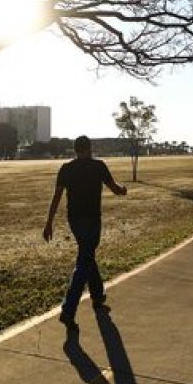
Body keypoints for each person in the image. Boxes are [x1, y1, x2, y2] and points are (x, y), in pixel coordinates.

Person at [43, 135, 128, 326]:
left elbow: (56, 197)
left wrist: (49, 223)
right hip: (92, 220)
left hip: (75, 221)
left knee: (87, 255)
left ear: (75, 149)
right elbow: (115, 189)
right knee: (84, 261)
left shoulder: (66, 169)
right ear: (90, 148)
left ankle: (98, 297)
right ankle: (68, 310)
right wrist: (124, 190)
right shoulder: (98, 166)